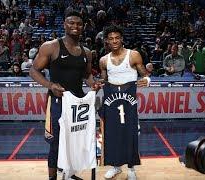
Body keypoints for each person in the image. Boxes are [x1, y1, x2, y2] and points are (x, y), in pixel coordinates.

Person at [29, 11, 102, 180]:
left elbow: (87, 74)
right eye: (71, 23)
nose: (75, 26)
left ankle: (68, 173)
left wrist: (93, 84)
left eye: (78, 24)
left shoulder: (87, 52)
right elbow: (33, 70)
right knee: (56, 143)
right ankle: (52, 178)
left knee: (75, 140)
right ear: (64, 25)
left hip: (77, 102)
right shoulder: (51, 46)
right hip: (57, 101)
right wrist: (50, 85)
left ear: (83, 27)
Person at [98, 25, 150, 180]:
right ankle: (115, 167)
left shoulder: (133, 55)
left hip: (129, 101)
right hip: (112, 101)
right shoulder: (103, 60)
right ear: (106, 41)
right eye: (111, 39)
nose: (114, 41)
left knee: (130, 133)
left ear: (121, 39)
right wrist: (96, 84)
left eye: (117, 38)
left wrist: (147, 79)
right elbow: (104, 80)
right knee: (112, 134)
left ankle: (131, 169)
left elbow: (144, 74)